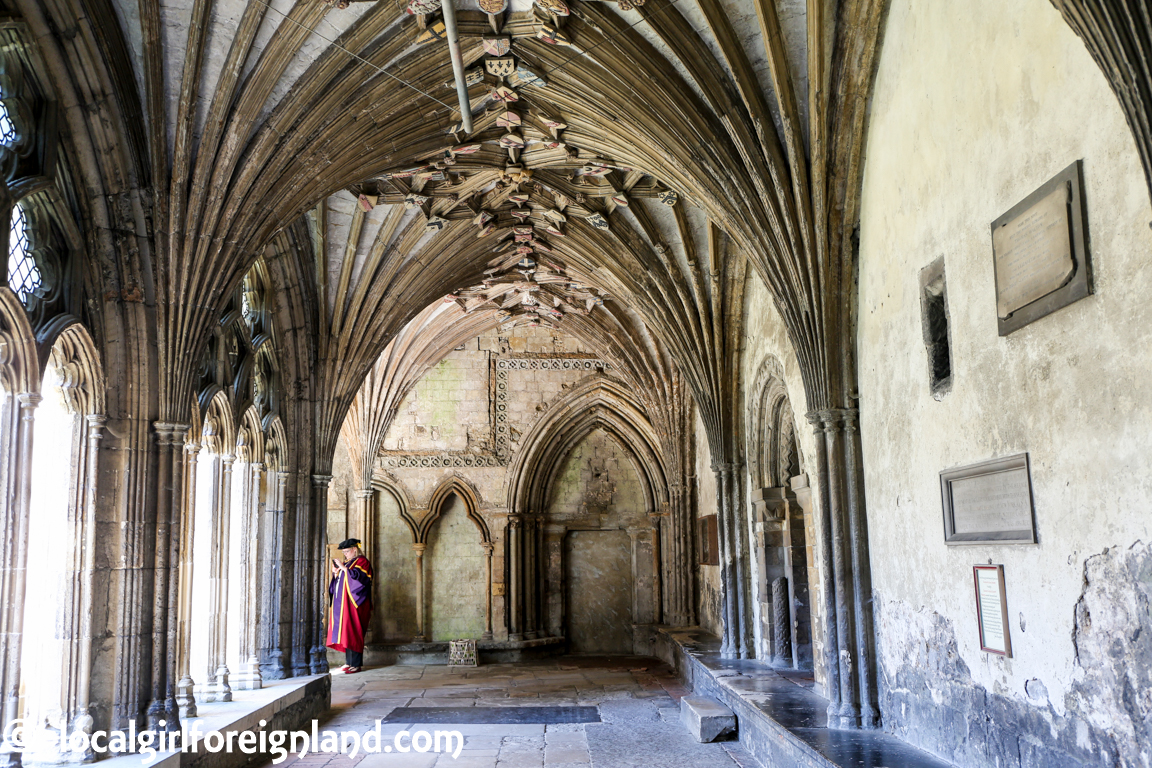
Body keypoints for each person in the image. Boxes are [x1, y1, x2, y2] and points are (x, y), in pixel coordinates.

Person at [326, 538, 373, 674]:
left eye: (347, 551)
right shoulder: (347, 563)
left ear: (355, 550)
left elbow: (363, 579)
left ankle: (356, 664)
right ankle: (349, 662)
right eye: (344, 552)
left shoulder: (362, 561)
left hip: (355, 604)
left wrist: (344, 569)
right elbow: (340, 583)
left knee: (354, 632)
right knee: (346, 632)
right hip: (343, 605)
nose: (345, 554)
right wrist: (336, 574)